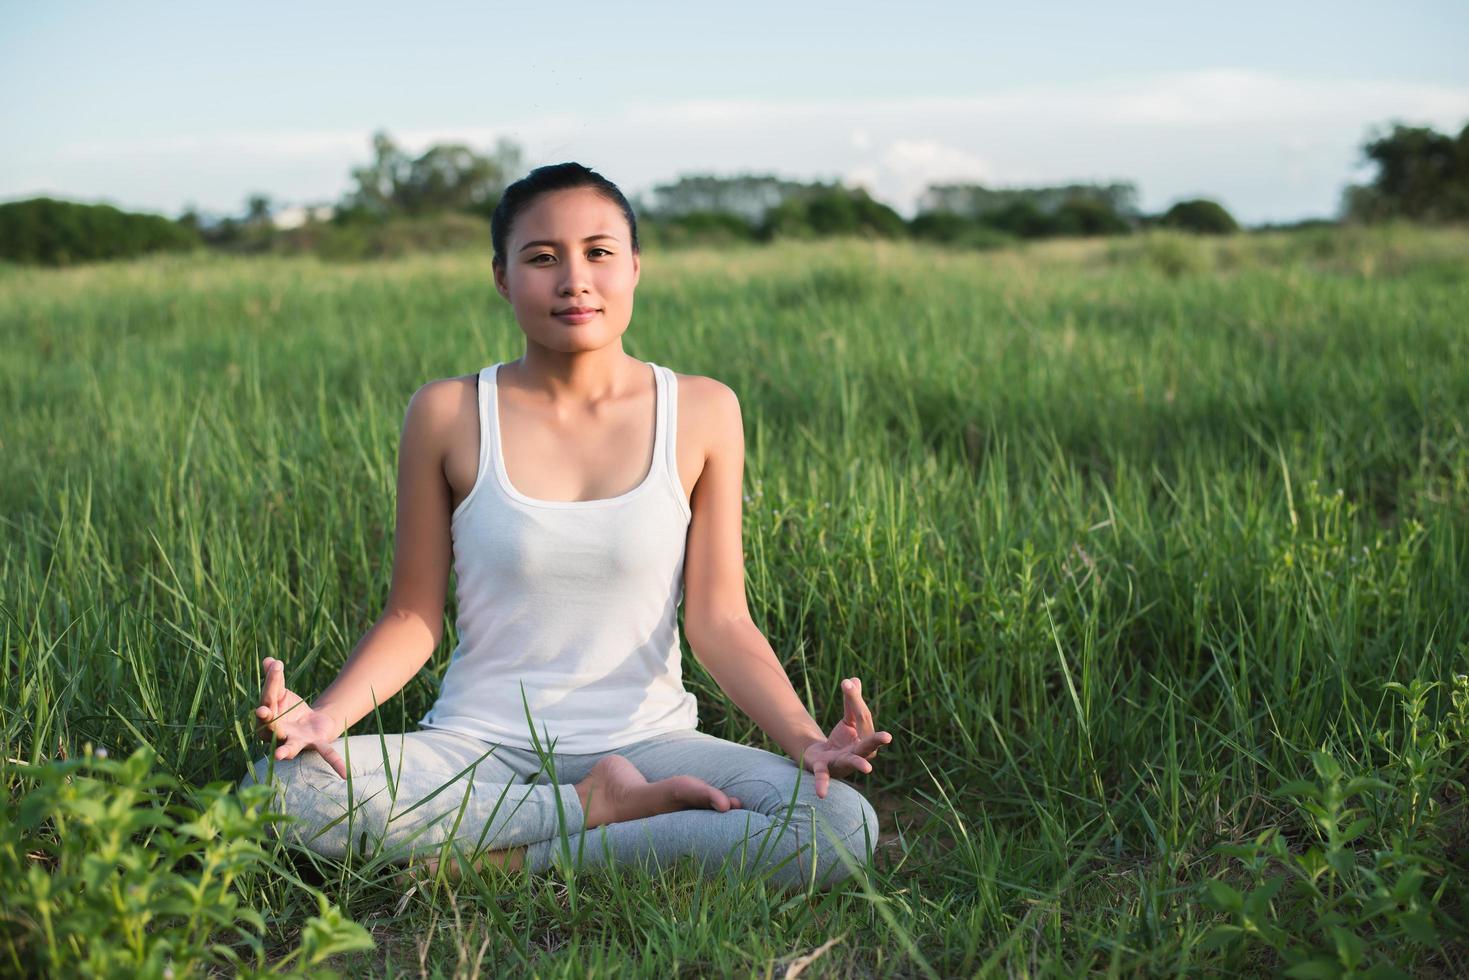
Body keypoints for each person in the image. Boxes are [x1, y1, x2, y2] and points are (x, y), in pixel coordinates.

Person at [239, 162, 894, 892]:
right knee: (277, 795)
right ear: (501, 276)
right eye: (542, 257)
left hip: (654, 741)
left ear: (636, 267)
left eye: (599, 252)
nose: (574, 279)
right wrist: (326, 718)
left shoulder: (704, 410)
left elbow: (720, 619)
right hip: (477, 744)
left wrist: (806, 741)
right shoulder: (448, 413)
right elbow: (411, 614)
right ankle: (591, 809)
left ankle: (509, 859)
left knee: (838, 827)